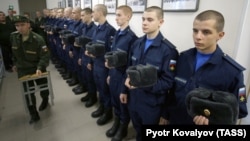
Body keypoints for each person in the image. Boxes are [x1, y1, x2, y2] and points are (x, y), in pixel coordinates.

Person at [160, 10, 248, 125]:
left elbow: (240, 110)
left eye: (206, 32)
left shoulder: (232, 72)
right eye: (195, 31)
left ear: (220, 35)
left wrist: (211, 117)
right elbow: (173, 92)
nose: (198, 37)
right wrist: (165, 114)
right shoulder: (182, 58)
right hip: (176, 121)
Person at [120, 6, 178, 141]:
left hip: (152, 104)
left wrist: (143, 85)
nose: (144, 23)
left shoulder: (168, 51)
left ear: (161, 22)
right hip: (133, 99)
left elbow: (168, 82)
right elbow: (129, 69)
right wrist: (124, 90)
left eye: (150, 19)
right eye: (143, 19)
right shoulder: (137, 43)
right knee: (138, 130)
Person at [104, 5, 137, 141]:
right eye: (115, 15)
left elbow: (130, 66)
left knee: (123, 104)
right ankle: (116, 123)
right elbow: (113, 57)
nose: (116, 18)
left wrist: (124, 87)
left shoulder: (132, 38)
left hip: (123, 77)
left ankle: (123, 128)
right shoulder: (117, 33)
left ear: (128, 16)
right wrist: (109, 74)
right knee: (114, 102)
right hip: (114, 75)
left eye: (119, 15)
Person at [10, 15, 50, 124]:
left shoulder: (38, 39)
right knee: (28, 93)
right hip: (23, 69)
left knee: (42, 87)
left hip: (37, 68)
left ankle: (45, 100)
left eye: (22, 25)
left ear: (28, 24)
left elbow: (45, 55)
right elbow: (14, 53)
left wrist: (40, 67)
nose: (19, 28)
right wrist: (14, 64)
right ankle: (33, 113)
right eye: (17, 26)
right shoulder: (13, 37)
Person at [85, 4, 116, 126]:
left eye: (93, 12)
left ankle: (108, 112)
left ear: (100, 13)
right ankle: (102, 107)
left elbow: (111, 52)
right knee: (99, 88)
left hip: (104, 66)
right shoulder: (97, 29)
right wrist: (91, 61)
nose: (92, 14)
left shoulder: (110, 30)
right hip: (96, 64)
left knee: (105, 90)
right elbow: (93, 46)